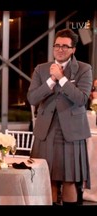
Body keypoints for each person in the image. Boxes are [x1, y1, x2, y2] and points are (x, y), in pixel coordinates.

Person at [27, 28, 92, 206]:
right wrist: (51, 81)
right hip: (45, 131)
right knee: (48, 179)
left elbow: (81, 99)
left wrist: (61, 78)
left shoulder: (84, 69)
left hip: (71, 132)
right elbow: (32, 98)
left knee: (68, 179)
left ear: (73, 50)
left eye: (65, 46)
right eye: (57, 45)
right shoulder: (41, 70)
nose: (60, 49)